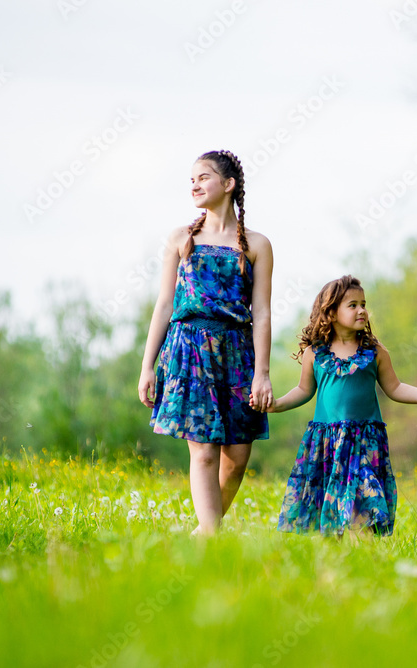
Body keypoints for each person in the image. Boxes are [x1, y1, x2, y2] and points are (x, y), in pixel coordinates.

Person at [138, 149, 274, 536]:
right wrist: (148, 366)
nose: (194, 185)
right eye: (191, 180)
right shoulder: (181, 239)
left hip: (237, 352)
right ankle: (212, 537)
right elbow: (164, 304)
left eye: (203, 177)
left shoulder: (257, 244)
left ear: (228, 184)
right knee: (204, 453)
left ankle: (202, 531)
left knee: (238, 457)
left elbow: (263, 312)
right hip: (189, 349)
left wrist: (262, 373)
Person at [263, 275, 417, 537]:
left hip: (364, 442)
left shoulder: (375, 351)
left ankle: (366, 551)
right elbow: (304, 390)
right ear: (331, 313)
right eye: (352, 305)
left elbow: (395, 388)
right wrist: (277, 404)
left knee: (366, 501)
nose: (362, 310)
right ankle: (335, 555)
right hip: (328, 442)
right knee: (330, 507)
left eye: (363, 304)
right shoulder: (314, 353)